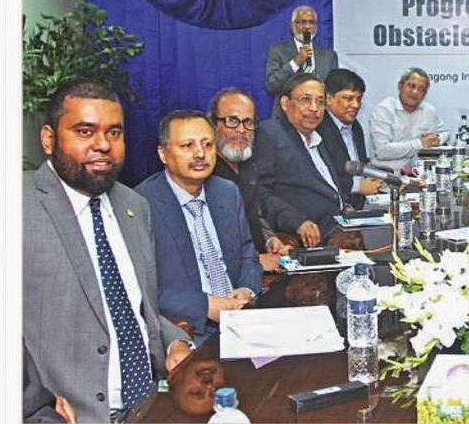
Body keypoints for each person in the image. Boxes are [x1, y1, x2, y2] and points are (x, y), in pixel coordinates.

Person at [24, 79, 192, 424]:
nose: (103, 145)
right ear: (49, 139)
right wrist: (29, 403)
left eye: (114, 133)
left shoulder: (135, 207)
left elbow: (134, 309)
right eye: (85, 132)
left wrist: (173, 342)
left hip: (152, 407)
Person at [136, 111, 263, 345]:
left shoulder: (227, 192)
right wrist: (205, 306)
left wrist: (247, 289)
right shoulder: (141, 204)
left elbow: (248, 253)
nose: (200, 154)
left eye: (207, 145)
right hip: (190, 331)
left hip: (242, 318)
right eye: (187, 146)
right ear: (163, 153)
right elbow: (141, 287)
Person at [253, 73, 344, 243]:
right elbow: (259, 193)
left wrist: (344, 204)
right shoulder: (270, 133)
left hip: (337, 229)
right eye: (305, 100)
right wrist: (297, 222)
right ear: (285, 103)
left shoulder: (318, 137)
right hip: (303, 237)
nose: (314, 108)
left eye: (320, 102)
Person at [207, 87, 291, 255]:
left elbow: (254, 216)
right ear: (213, 125)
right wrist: (256, 261)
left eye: (248, 122)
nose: (241, 130)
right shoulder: (205, 174)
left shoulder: (248, 166)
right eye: (232, 121)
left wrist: (270, 239)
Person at [317, 68, 384, 209]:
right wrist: (358, 186)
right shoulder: (318, 129)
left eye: (359, 99)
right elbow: (320, 178)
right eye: (348, 99)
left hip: (358, 205)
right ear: (328, 99)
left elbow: (359, 166)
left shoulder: (355, 126)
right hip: (332, 207)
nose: (356, 105)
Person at [368, 67, 449, 172]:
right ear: (400, 86)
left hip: (418, 173)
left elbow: (445, 132)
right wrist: (420, 144)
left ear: (425, 94)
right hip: (385, 175)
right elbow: (382, 151)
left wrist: (435, 139)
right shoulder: (384, 110)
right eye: (411, 86)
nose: (415, 92)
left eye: (421, 89)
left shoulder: (429, 110)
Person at [265, 5, 339, 116]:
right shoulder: (278, 51)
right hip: (286, 117)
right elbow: (271, 86)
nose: (307, 27)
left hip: (318, 117)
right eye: (302, 22)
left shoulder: (329, 56)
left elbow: (333, 91)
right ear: (292, 26)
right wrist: (295, 63)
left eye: (311, 22)